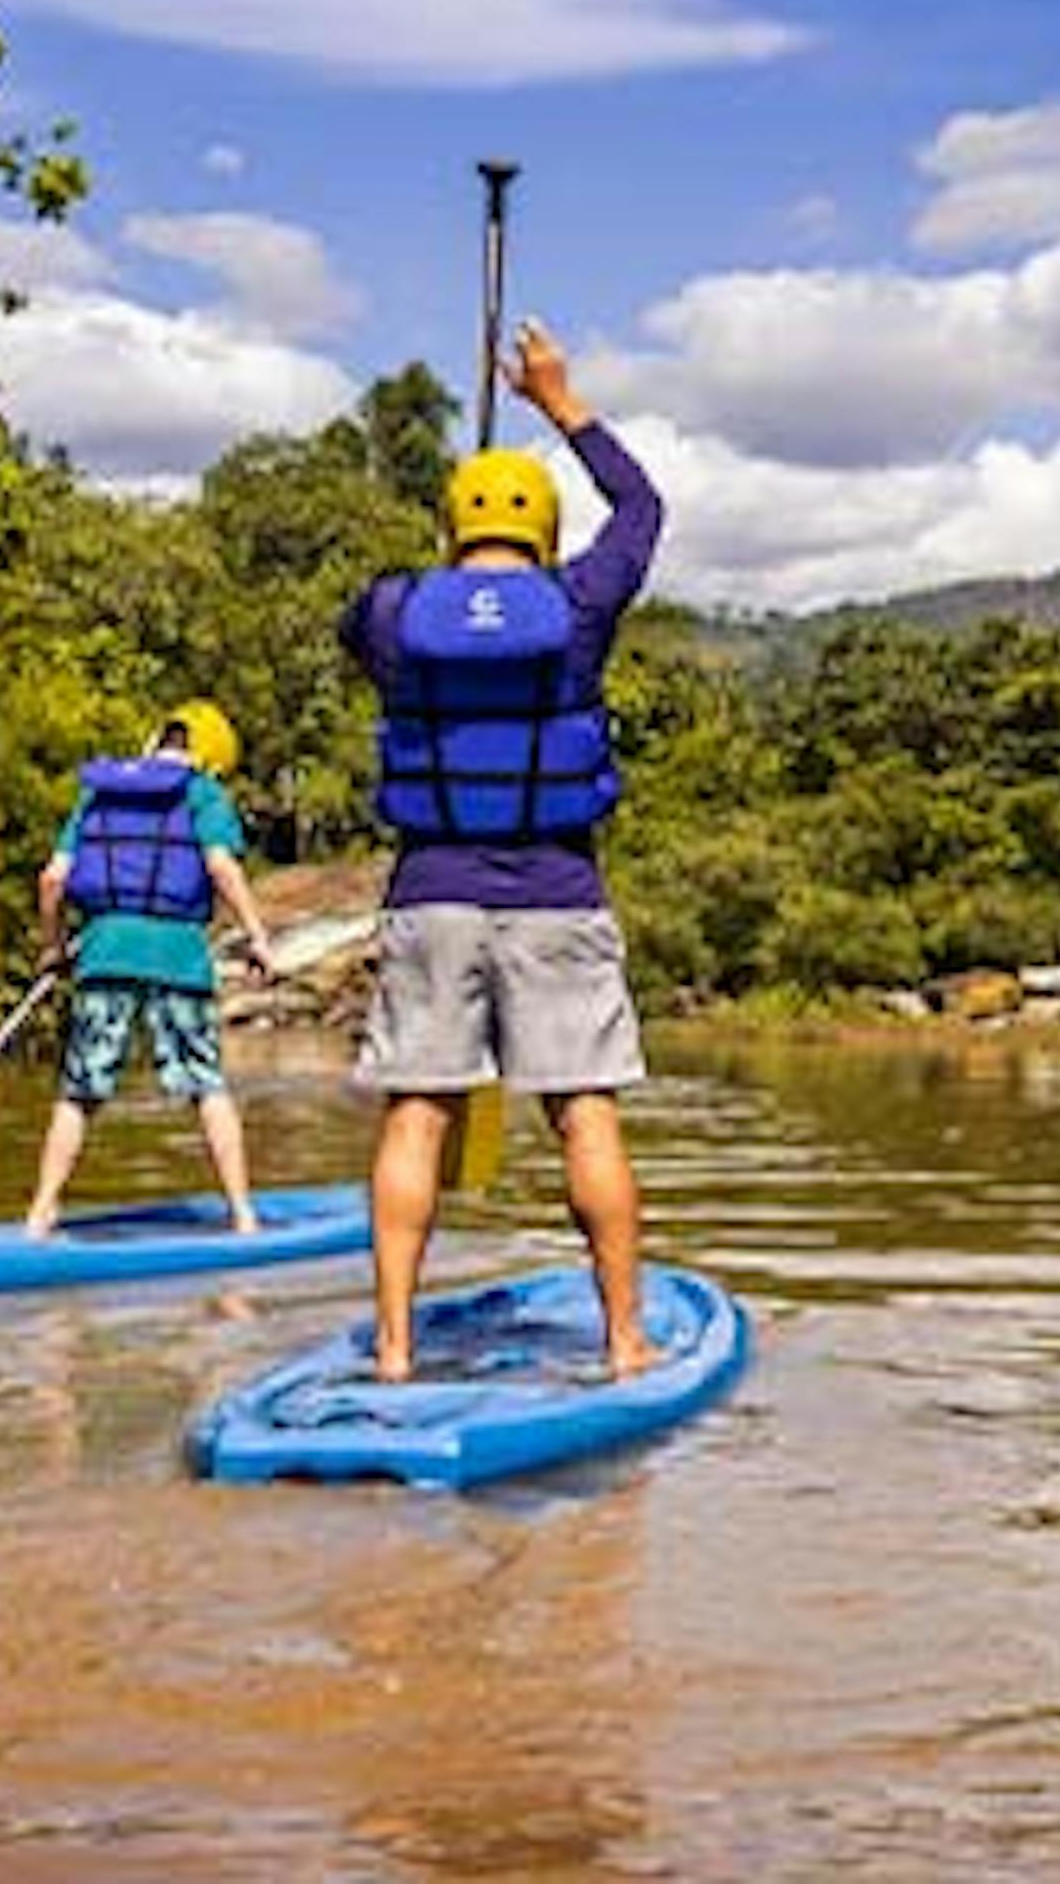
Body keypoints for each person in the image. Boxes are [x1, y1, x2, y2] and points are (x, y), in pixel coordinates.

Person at [339, 319, 663, 1379]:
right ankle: (623, 1342)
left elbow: (374, 625)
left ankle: (391, 1349)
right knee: (584, 1112)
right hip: (558, 891)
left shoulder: (392, 614)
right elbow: (645, 507)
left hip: (431, 892)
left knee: (417, 1113)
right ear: (543, 524)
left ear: (452, 524)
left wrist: (452, 588)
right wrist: (560, 403)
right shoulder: (576, 607)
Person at [27, 701, 278, 1237]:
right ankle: (243, 1217)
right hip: (179, 959)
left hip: (103, 952)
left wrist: (52, 947)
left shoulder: (98, 792)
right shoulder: (204, 794)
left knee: (80, 1089)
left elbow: (52, 879)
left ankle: (40, 1215)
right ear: (211, 756)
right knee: (206, 1085)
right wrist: (258, 935)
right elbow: (220, 865)